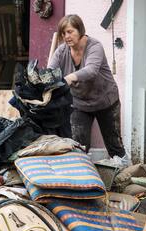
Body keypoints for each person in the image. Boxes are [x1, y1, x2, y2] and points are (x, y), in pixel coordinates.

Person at [48, 14, 129, 165]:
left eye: (70, 31)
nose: (67, 36)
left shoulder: (94, 46)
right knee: (79, 146)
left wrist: (69, 77)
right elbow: (50, 72)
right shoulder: (61, 51)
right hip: (79, 104)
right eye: (64, 33)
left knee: (114, 146)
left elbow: (91, 70)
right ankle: (81, 180)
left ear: (80, 30)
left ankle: (126, 174)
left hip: (106, 101)